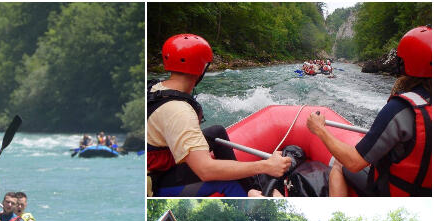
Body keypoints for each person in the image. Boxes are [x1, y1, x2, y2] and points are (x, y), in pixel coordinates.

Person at [147, 33, 291, 197]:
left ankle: (252, 187)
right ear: (201, 69)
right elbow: (205, 171)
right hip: (156, 180)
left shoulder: (156, 89)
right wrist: (265, 166)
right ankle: (250, 197)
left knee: (216, 131)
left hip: (159, 157)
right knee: (227, 180)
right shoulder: (179, 111)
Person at [307, 25, 431, 197]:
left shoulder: (400, 109)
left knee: (338, 164)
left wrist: (319, 129)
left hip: (391, 192)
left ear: (405, 64)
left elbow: (354, 163)